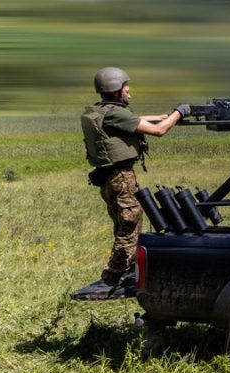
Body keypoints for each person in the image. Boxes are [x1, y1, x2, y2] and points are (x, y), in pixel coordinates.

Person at [74, 67, 190, 300]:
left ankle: (126, 271)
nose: (129, 91)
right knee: (130, 225)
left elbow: (139, 120)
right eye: (125, 87)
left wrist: (168, 115)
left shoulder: (103, 110)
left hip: (108, 177)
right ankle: (112, 278)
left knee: (122, 225)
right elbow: (157, 131)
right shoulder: (116, 114)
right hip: (121, 177)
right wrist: (180, 112)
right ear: (115, 91)